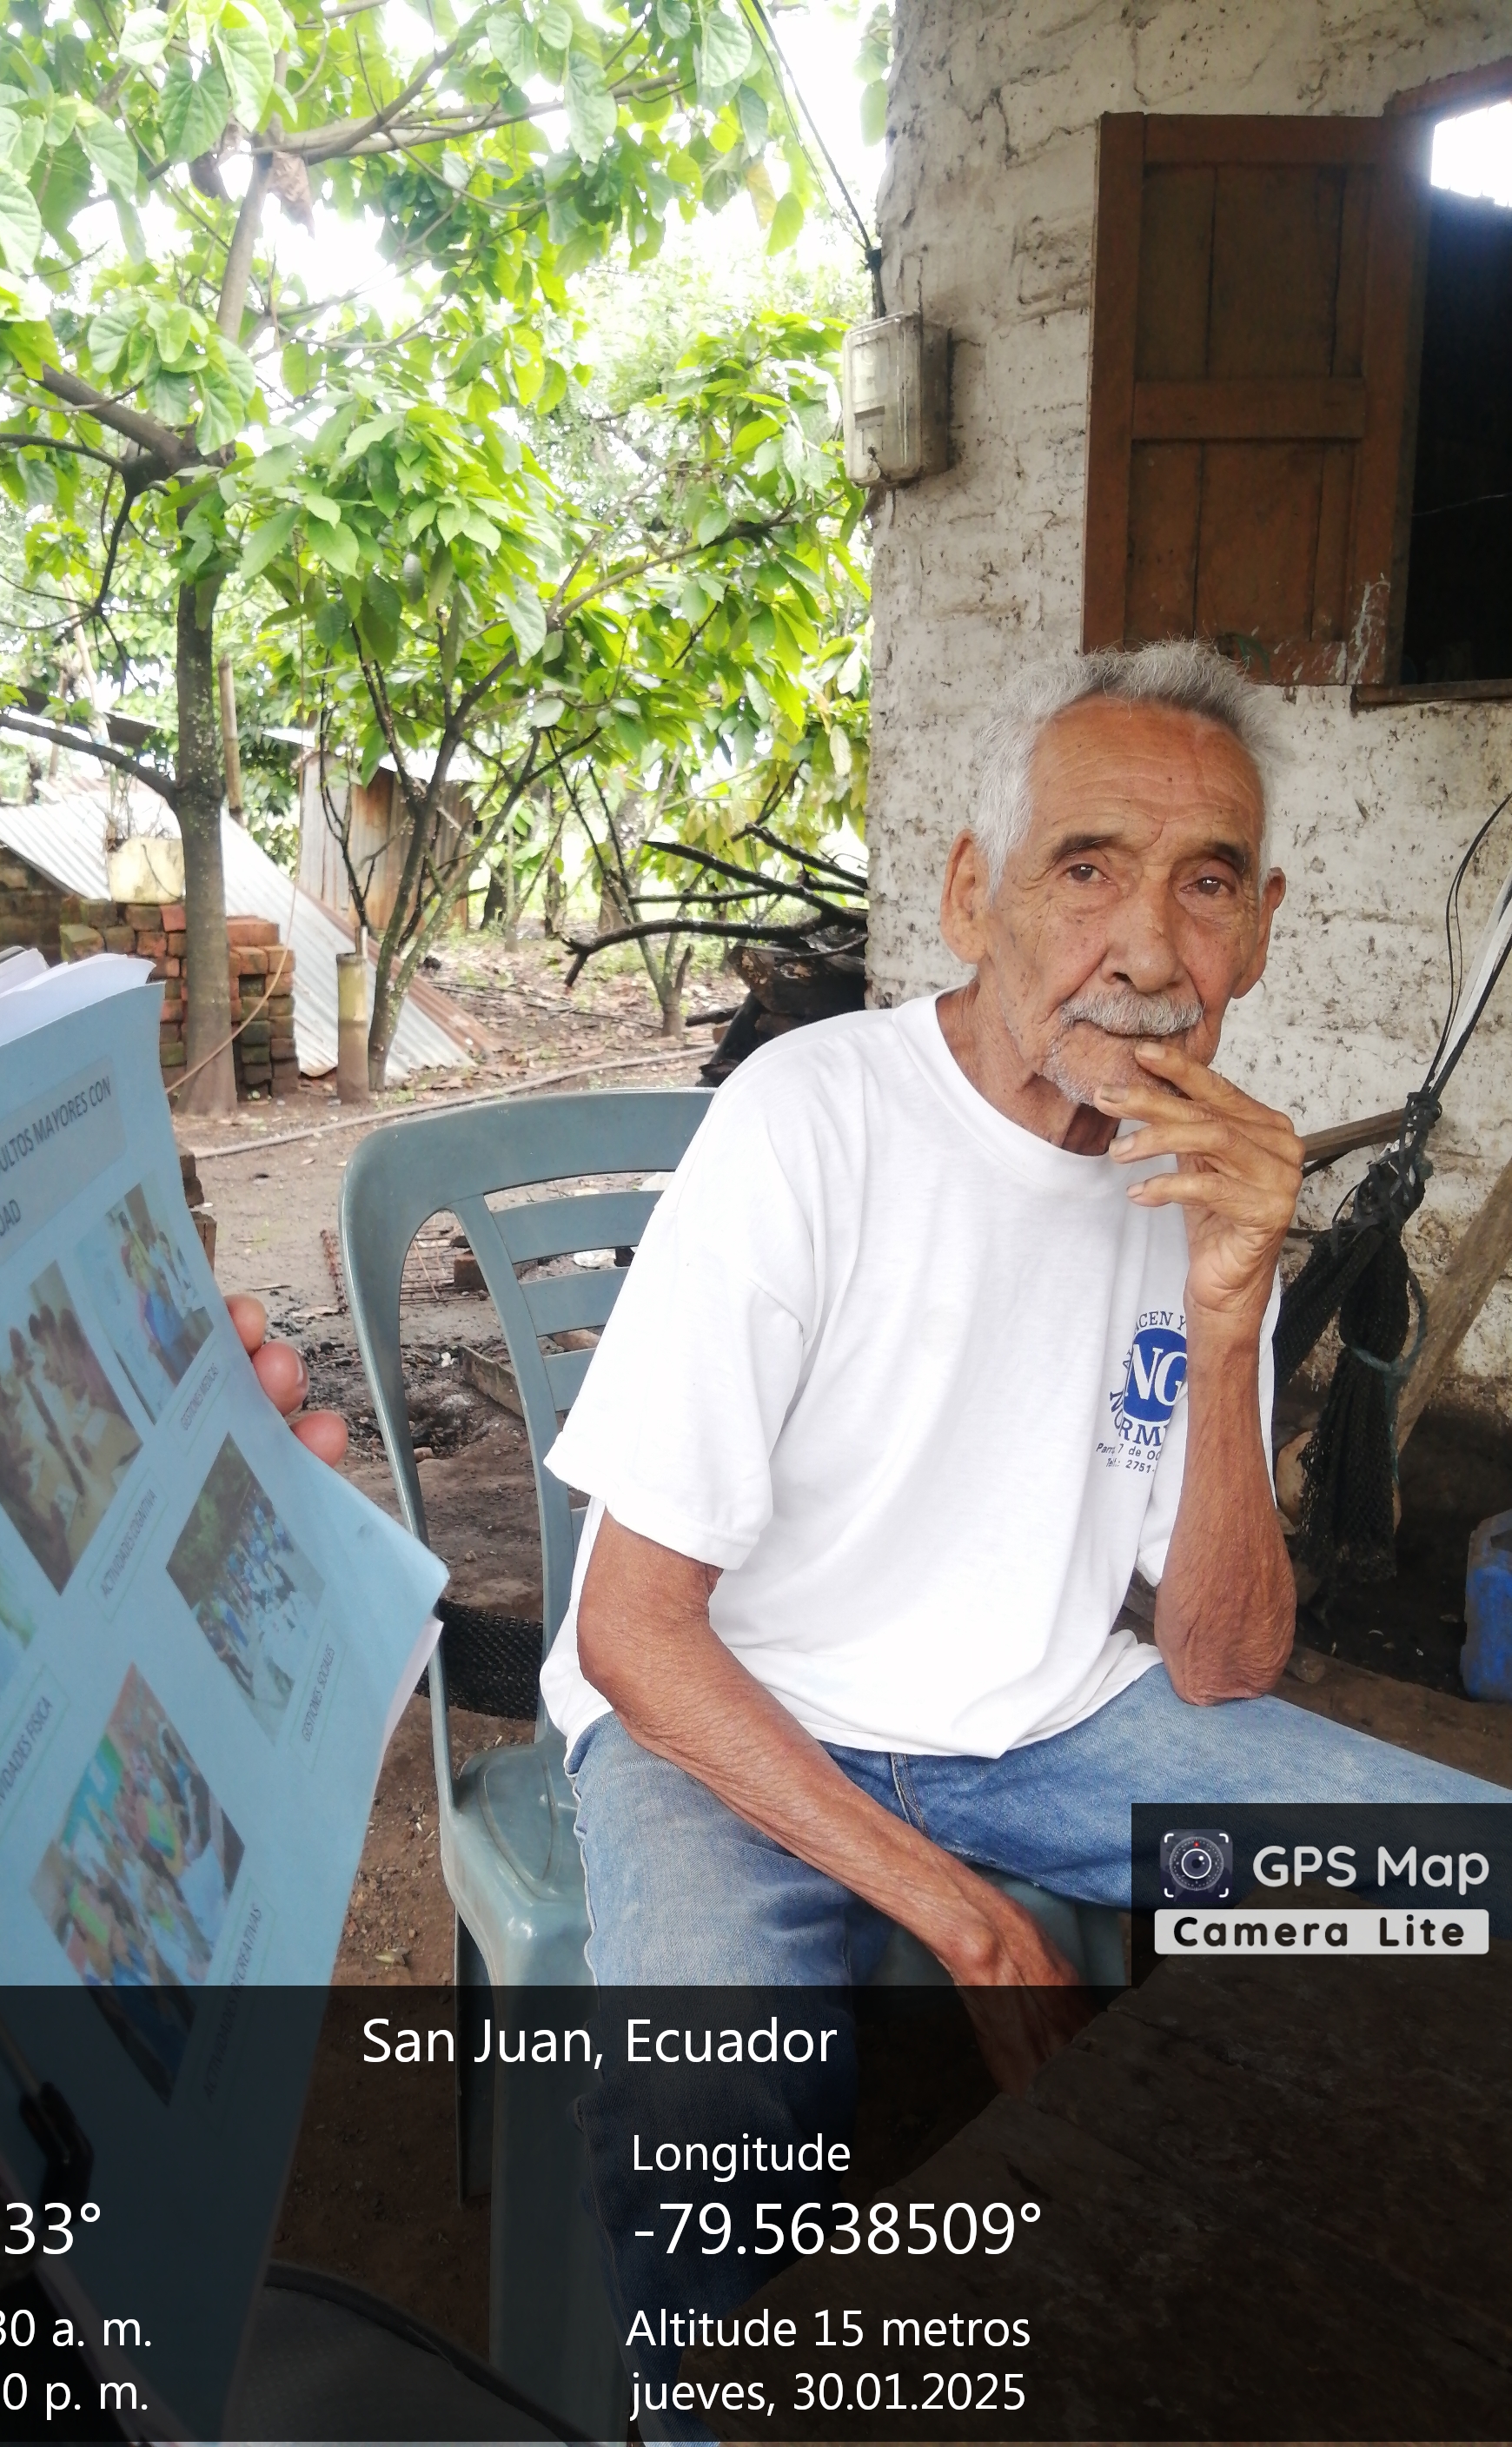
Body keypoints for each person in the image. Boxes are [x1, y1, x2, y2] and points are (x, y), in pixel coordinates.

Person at [542, 640, 1509, 2042]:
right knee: (708, 2098)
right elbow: (633, 1631)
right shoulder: (808, 1119)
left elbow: (1224, 1667)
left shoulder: (1205, 1183)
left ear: (1259, 930)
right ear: (970, 897)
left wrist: (1230, 1315)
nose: (1149, 953)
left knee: (1472, 1893)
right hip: (727, 1718)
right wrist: (975, 1929)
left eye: (1207, 885)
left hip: (1047, 1730)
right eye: (1087, 870)